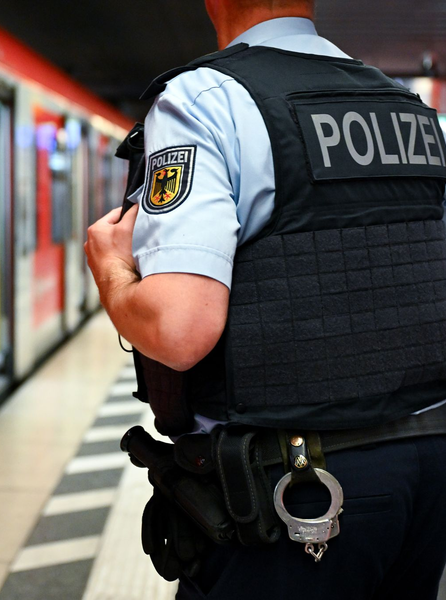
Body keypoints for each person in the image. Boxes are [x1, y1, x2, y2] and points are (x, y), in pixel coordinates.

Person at [85, 1, 446, 598]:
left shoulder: (205, 100)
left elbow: (180, 329)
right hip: (429, 472)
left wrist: (114, 274)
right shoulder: (412, 111)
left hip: (298, 494)